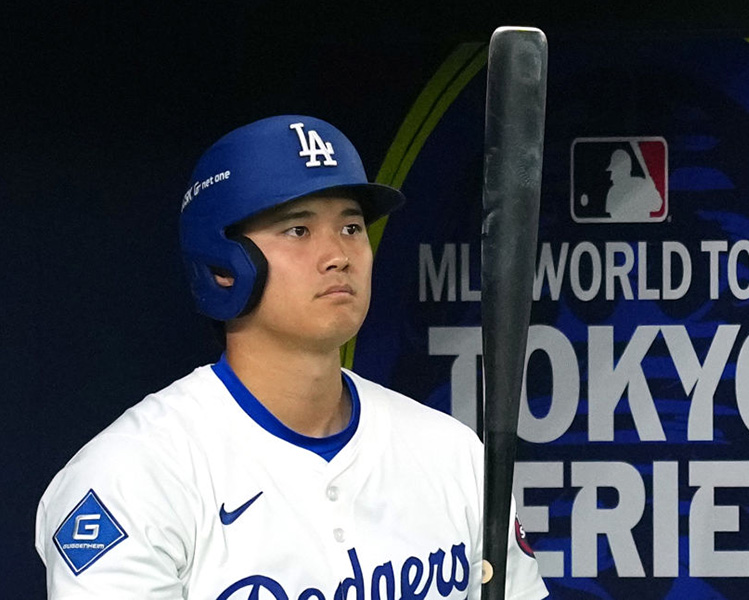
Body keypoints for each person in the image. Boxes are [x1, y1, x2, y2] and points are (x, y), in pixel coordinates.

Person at [34, 115, 548, 599]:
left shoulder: (453, 456)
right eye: (298, 230)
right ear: (222, 267)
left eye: (350, 228)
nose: (338, 254)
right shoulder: (134, 475)